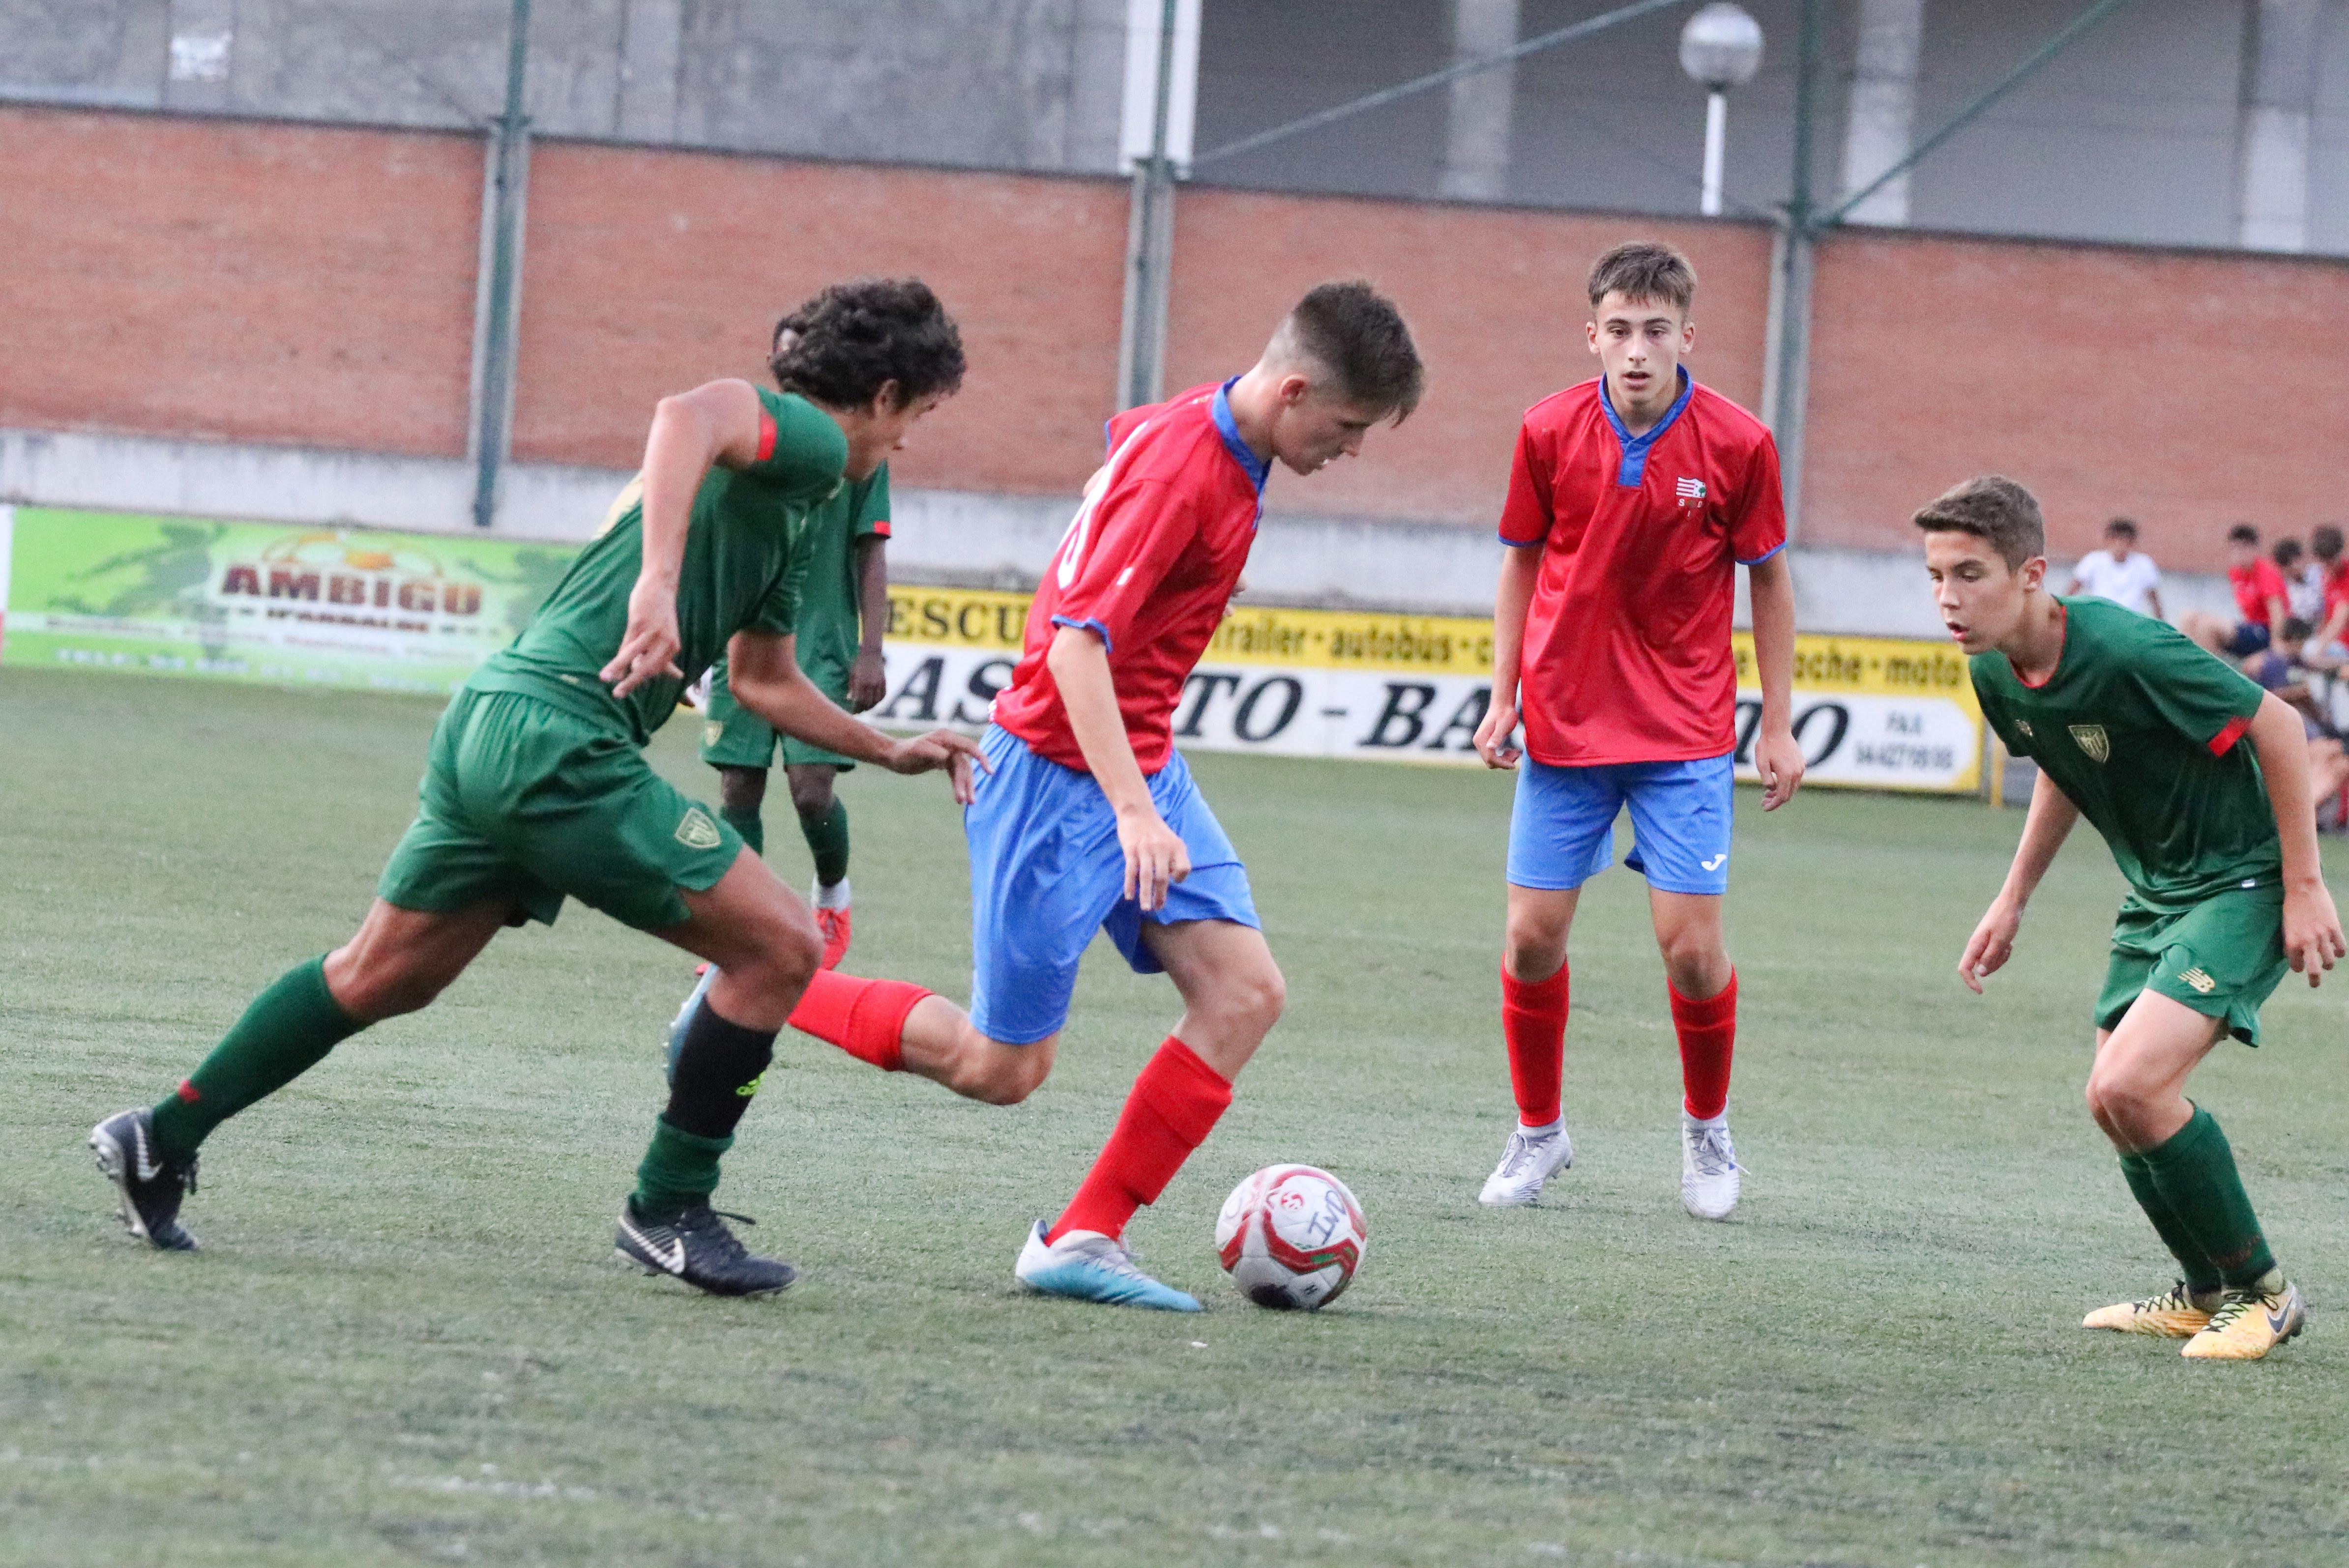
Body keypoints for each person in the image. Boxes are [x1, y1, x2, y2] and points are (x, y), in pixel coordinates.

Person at [89, 278, 987, 1297]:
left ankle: (158, 1136)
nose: (906, 443)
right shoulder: (812, 442)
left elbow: (762, 680)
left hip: (495, 719)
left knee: (382, 973)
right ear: (882, 393)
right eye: (918, 417)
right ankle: (668, 1206)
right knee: (780, 946)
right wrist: (655, 578)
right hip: (561, 733)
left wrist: (890, 747)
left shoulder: (790, 511)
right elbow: (685, 415)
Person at [696, 280, 1424, 1312]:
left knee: (1244, 992)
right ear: (1295, 387)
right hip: (1055, 775)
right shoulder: (1185, 464)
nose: (1349, 450)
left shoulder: (1218, 440)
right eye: (1346, 427)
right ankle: (760, 982)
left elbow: (1119, 486)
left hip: (1138, 761)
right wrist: (1133, 809)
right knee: (1002, 1067)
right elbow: (1078, 645)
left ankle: (1085, 1233)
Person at [1926, 475, 2343, 1361]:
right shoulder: (1994, 670)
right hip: (2156, 892)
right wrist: (2013, 899)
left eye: (1968, 575)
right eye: (1935, 578)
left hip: (2243, 881)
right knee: (2109, 1101)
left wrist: (2304, 886)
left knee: (2130, 1087)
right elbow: (2058, 760)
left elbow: (2274, 724)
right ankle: (2202, 1294)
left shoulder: (2125, 647)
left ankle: (2265, 1294)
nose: (1947, 600)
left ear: (2031, 573)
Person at [1468, 240, 1804, 1221]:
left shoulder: (1739, 444)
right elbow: (1521, 563)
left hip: (1685, 729)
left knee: (1690, 952)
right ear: (1592, 334)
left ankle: (1706, 1131)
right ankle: (1539, 1133)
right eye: (1618, 329)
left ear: (1686, 336)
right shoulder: (1545, 429)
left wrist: (1774, 719)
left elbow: (1770, 578)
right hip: (1566, 723)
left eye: (1655, 330)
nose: (1636, 349)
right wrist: (1502, 693)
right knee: (1532, 938)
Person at [697, 315, 893, 970]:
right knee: (737, 791)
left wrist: (871, 649)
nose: (791, 364)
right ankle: (740, 931)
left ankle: (831, 896)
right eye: (781, 354)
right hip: (740, 628)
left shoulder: (861, 443)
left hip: (822, 637)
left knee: (811, 788)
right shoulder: (750, 431)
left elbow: (871, 551)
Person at [2180, 523, 2287, 658]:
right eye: (2235, 548)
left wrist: (2277, 644)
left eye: (2244, 548)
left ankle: (2208, 674)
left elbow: (2277, 613)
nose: (2239, 553)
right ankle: (2187, 664)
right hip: (2249, 627)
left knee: (2208, 627)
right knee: (2188, 617)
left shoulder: (2266, 572)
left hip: (2265, 632)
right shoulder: (2236, 573)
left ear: (2254, 549)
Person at [2065, 517, 2163, 620]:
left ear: (2132, 543)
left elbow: (2154, 600)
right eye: (2117, 540)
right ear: (2108, 540)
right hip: (2100, 618)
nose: (2121, 545)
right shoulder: (2093, 560)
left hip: (2130, 620)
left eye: (2126, 541)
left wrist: (2162, 626)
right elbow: (2072, 592)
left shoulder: (2144, 564)